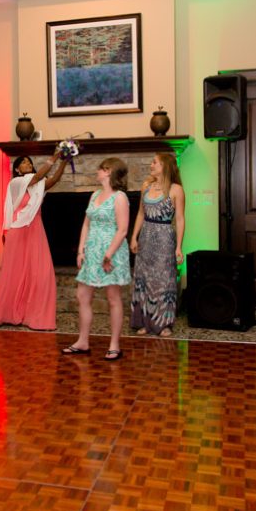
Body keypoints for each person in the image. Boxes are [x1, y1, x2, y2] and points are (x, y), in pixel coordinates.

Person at [0, 151, 67, 330]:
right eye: (24, 162)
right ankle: (6, 314)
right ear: (17, 169)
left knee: (41, 273)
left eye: (29, 162)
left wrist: (64, 161)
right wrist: (54, 157)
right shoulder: (16, 183)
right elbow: (38, 176)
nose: (28, 164)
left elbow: (54, 180)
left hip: (35, 231)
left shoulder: (37, 185)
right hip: (18, 231)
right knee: (13, 274)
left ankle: (35, 316)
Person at [62, 157, 130, 361]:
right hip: (92, 251)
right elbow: (86, 224)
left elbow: (122, 229)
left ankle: (114, 345)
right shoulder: (94, 195)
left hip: (112, 252)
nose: (97, 171)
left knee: (113, 298)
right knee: (82, 296)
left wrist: (108, 254)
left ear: (109, 171)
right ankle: (82, 341)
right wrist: (81, 250)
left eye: (100, 168)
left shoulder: (120, 197)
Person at [130, 153, 186, 337]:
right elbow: (140, 213)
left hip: (164, 239)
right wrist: (134, 237)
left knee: (163, 281)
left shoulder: (176, 189)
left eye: (155, 162)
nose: (151, 165)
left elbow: (180, 219)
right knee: (144, 279)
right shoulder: (146, 186)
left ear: (165, 166)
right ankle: (145, 322)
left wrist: (179, 247)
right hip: (145, 237)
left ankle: (164, 324)